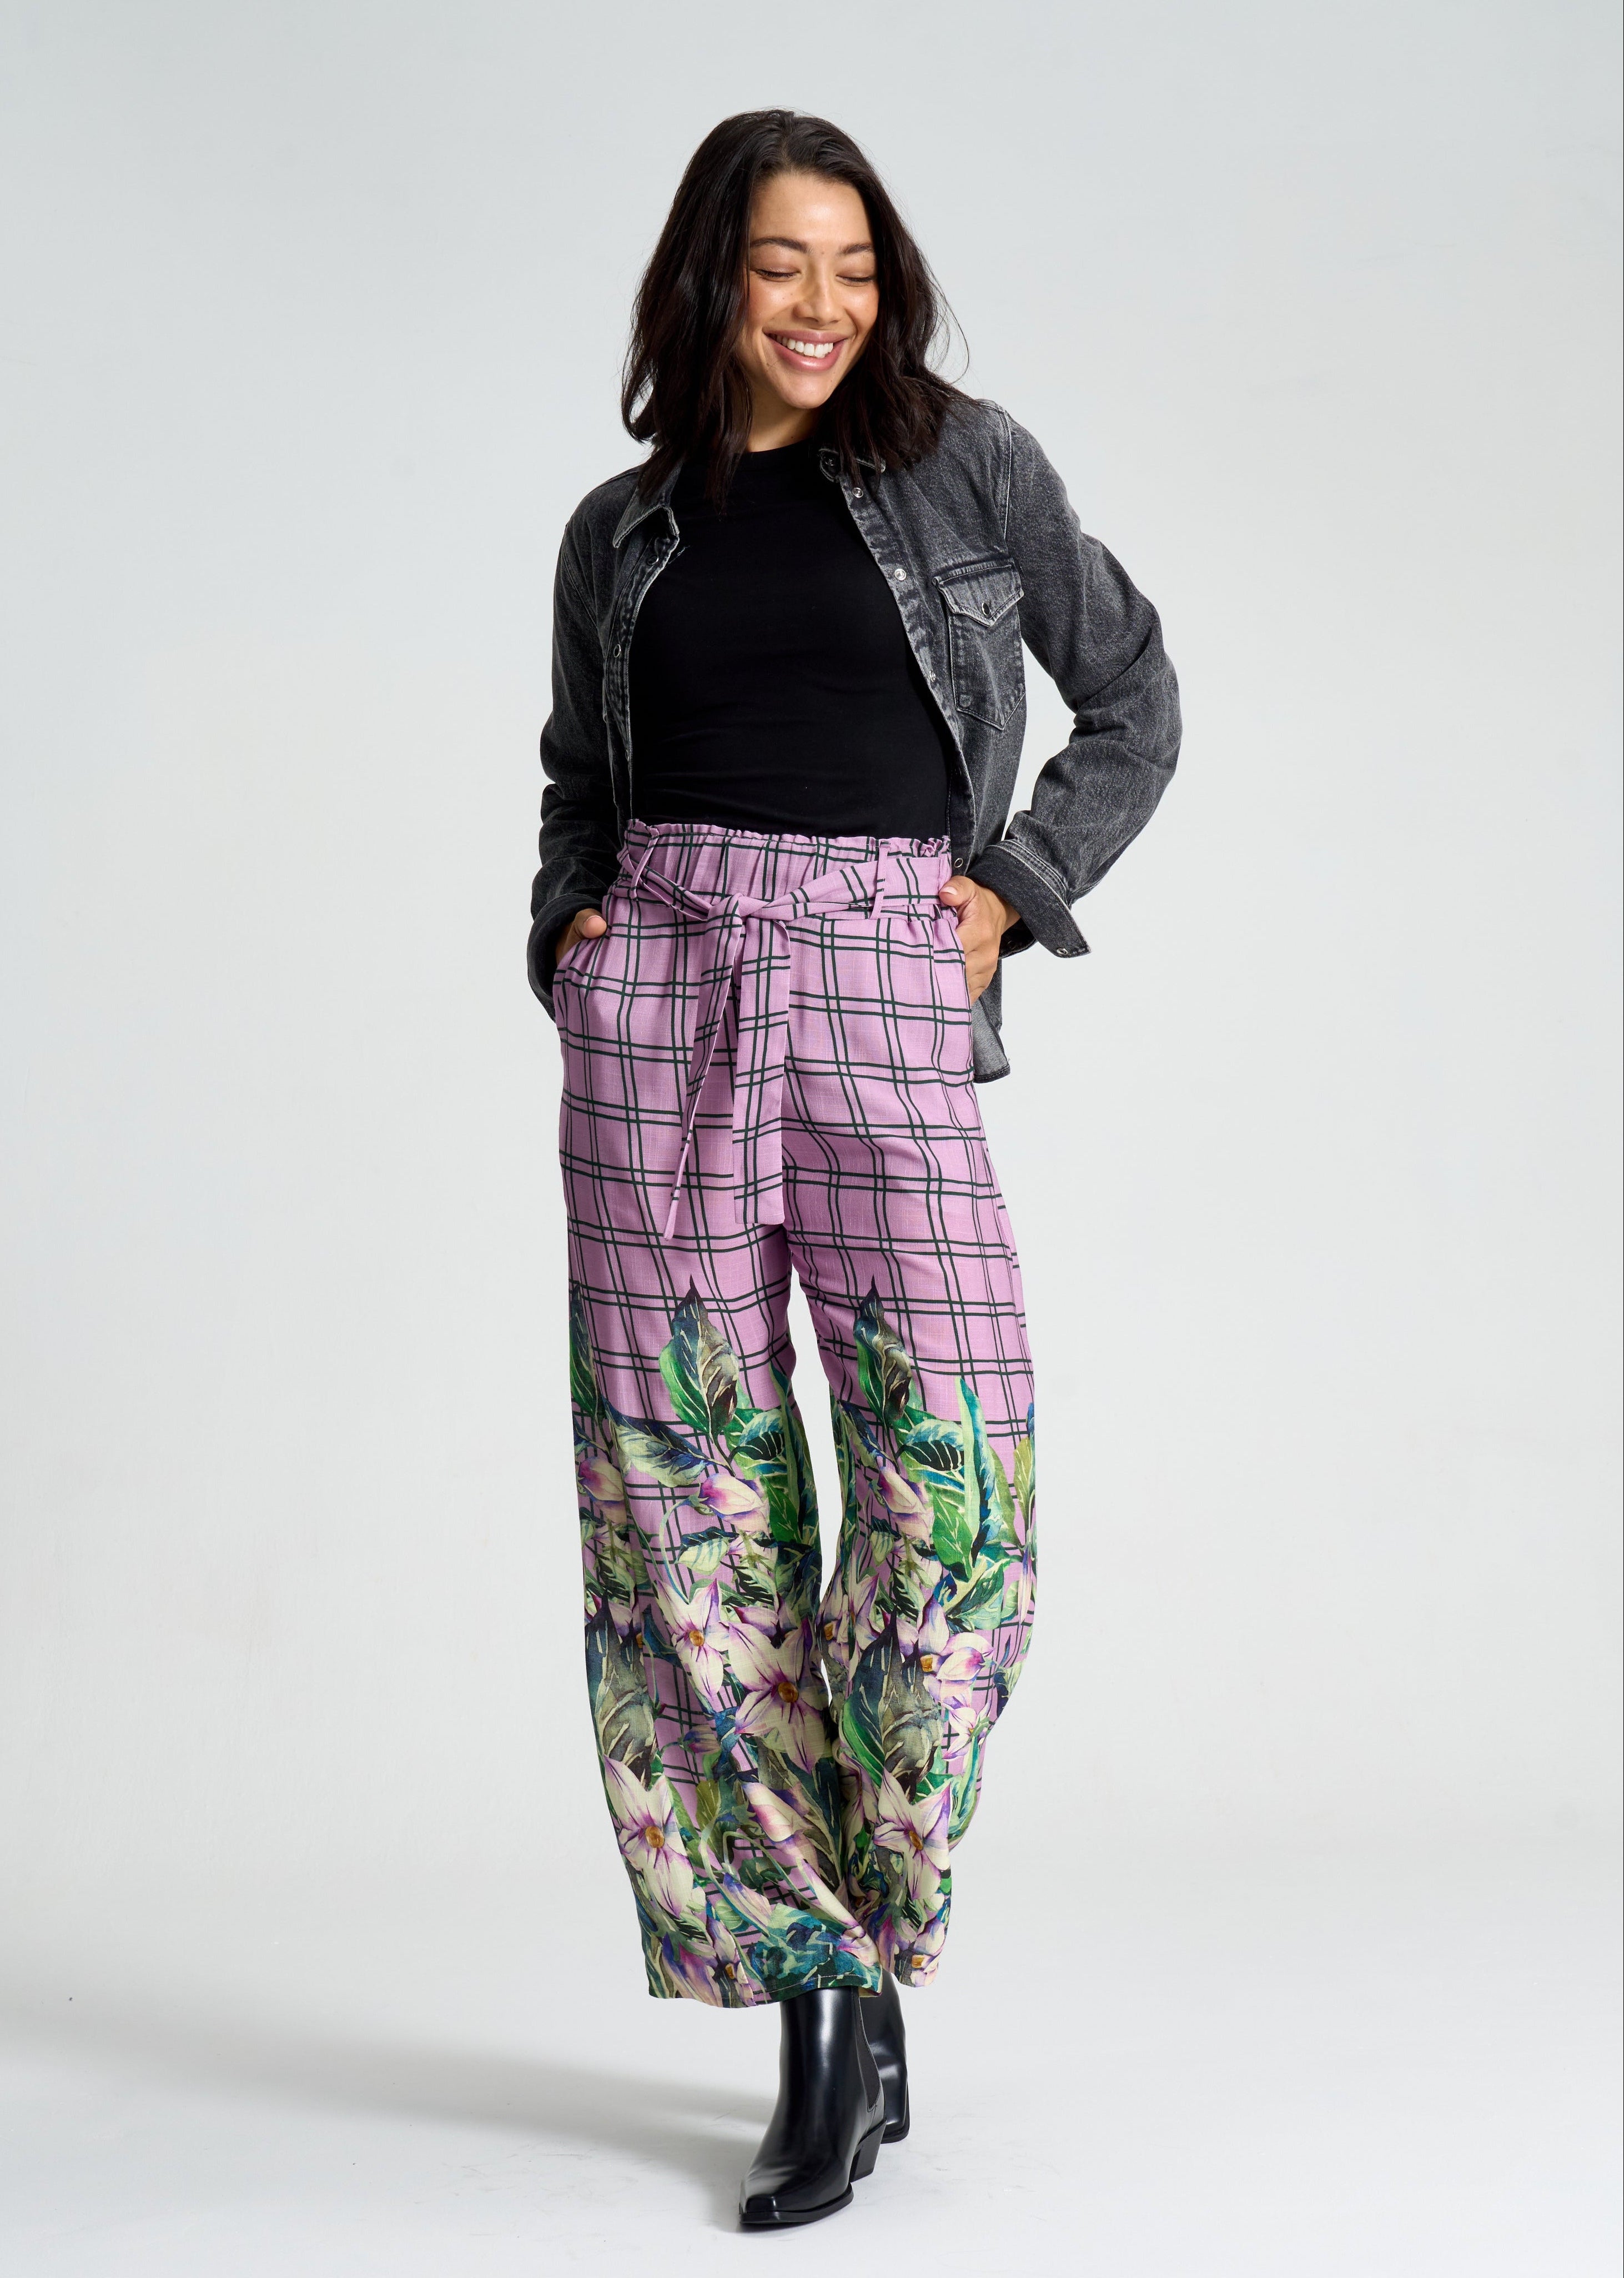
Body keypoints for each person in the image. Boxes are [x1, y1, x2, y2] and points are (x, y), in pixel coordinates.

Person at [527, 109, 1180, 2228]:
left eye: (855, 270)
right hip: (670, 998)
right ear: (708, 278)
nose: (819, 308)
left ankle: (876, 1922)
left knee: (954, 1490)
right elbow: (575, 785)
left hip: (892, 984)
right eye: (780, 266)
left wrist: (1005, 895)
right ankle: (814, 2000)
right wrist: (570, 932)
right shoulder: (619, 532)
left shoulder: (968, 471)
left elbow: (1135, 697)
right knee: (687, 1505)